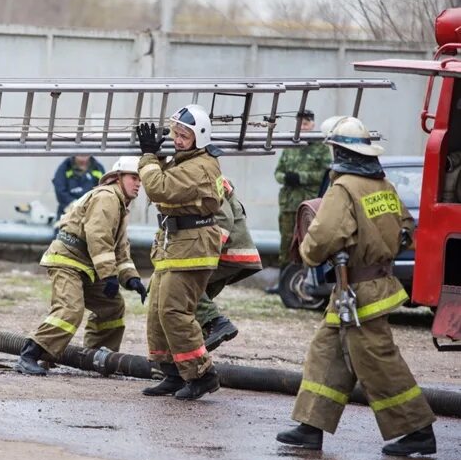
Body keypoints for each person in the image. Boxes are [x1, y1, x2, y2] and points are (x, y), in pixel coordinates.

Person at [276, 117, 436, 457]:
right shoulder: (383, 185)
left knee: (378, 360)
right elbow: (406, 230)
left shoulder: (344, 187)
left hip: (359, 292)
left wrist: (306, 253)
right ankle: (310, 426)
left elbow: (321, 237)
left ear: (338, 149)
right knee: (326, 353)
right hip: (364, 289)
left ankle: (418, 429)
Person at [16, 156, 147, 375]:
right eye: (134, 178)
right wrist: (109, 276)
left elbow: (120, 248)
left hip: (86, 266)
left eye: (140, 180)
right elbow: (98, 236)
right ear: (118, 178)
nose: (138, 184)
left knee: (112, 306)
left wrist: (130, 278)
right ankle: (30, 354)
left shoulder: (121, 204)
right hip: (68, 260)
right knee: (69, 310)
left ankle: (97, 356)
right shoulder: (107, 197)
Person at [137, 105, 224, 400]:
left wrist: (149, 156)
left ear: (199, 137)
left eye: (184, 135)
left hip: (192, 246)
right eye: (175, 133)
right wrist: (158, 156)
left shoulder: (201, 166)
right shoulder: (184, 160)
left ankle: (202, 375)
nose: (177, 139)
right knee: (158, 312)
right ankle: (172, 372)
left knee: (175, 311)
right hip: (174, 243)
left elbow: (160, 188)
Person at [195, 177, 263, 353]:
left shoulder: (203, 175)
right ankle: (195, 357)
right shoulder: (209, 174)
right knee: (191, 307)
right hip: (232, 254)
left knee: (184, 286)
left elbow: (223, 218)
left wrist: (208, 253)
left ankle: (216, 321)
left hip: (226, 254)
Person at [269, 110, 332, 293]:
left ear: (312, 124)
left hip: (308, 206)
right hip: (289, 204)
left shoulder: (320, 147)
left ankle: (307, 283)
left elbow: (326, 173)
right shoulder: (290, 146)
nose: (302, 127)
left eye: (305, 123)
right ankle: (283, 284)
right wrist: (286, 178)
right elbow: (278, 172)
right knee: (286, 244)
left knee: (308, 243)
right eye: (299, 124)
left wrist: (300, 177)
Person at [52, 155, 106, 220]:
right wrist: (75, 205)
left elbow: (104, 191)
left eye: (86, 148)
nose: (83, 153)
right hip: (68, 214)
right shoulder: (65, 167)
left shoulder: (98, 168)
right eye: (80, 148)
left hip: (92, 215)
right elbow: (60, 191)